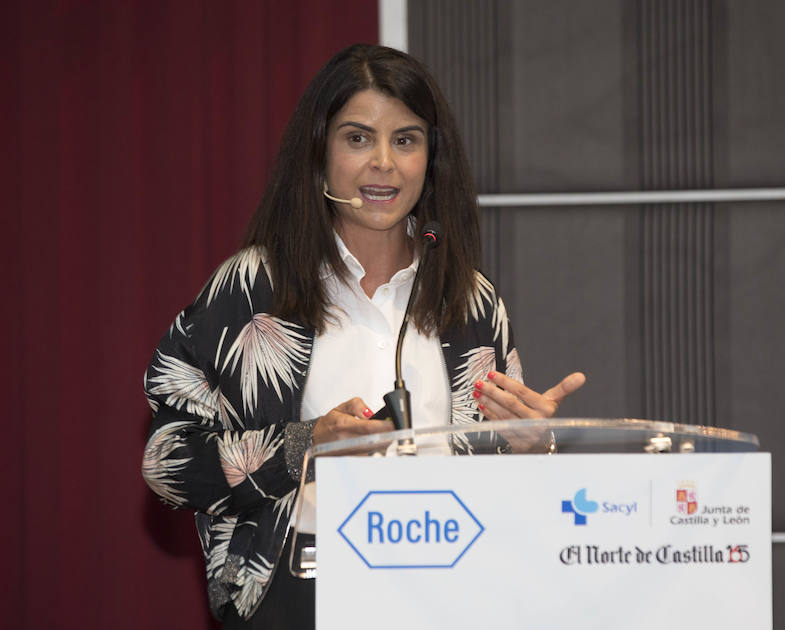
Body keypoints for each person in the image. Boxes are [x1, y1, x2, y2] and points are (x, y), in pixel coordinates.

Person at [141, 43, 585, 628]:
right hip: (303, 595)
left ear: (431, 158)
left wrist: (534, 448)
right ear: (320, 154)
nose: (384, 163)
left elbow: (503, 481)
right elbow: (168, 462)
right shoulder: (252, 290)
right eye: (357, 138)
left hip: (452, 591)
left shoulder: (471, 301)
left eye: (406, 140)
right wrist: (303, 447)